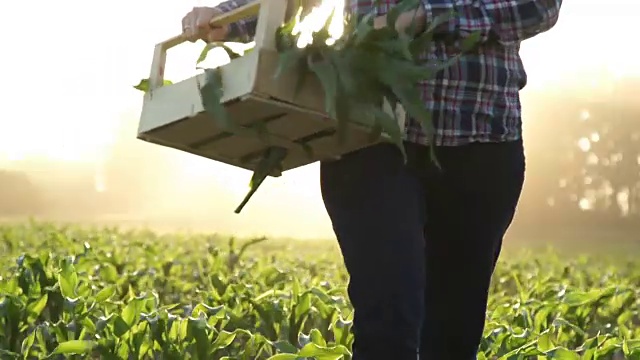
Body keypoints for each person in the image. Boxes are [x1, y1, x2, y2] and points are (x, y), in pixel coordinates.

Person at [181, 1, 563, 359]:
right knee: (387, 317)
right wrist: (226, 17)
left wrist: (425, 16)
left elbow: (539, 7)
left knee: (452, 332)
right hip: (368, 139)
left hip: (481, 144)